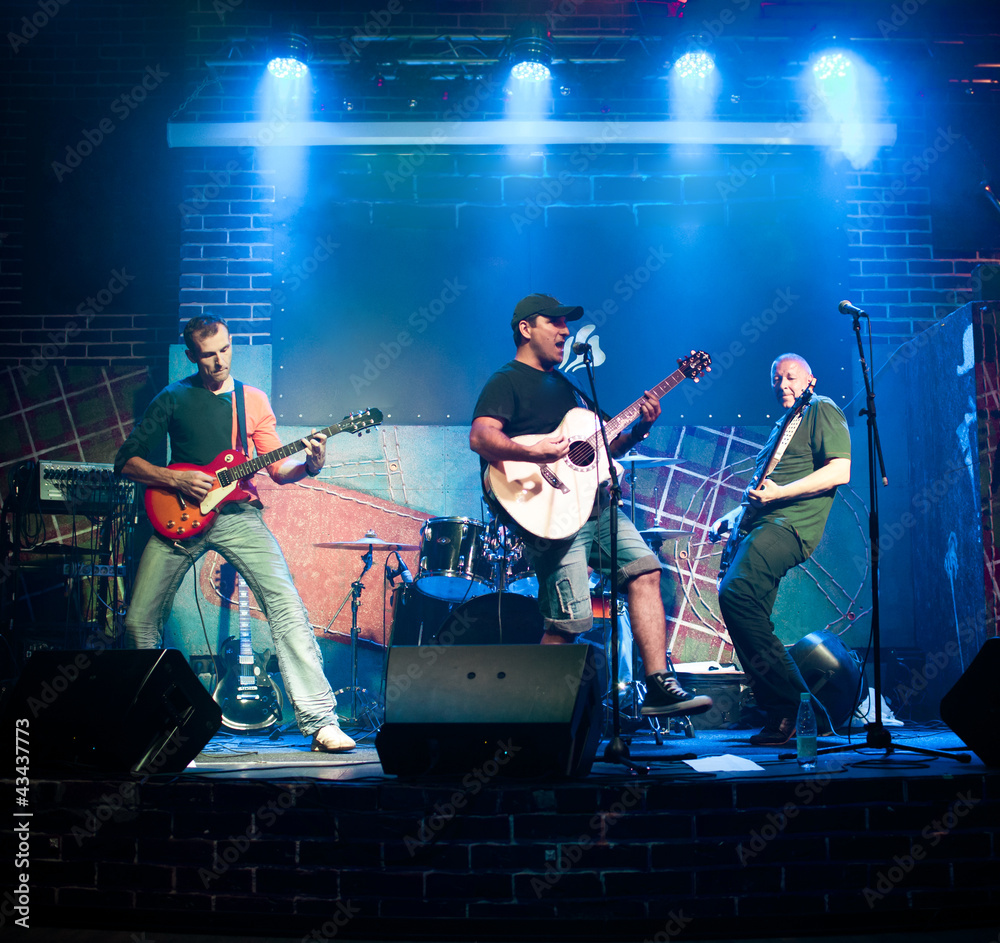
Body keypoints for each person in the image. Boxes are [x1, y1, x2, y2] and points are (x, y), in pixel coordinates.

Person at [115, 315, 354, 753]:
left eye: (224, 350)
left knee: (285, 604)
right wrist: (175, 480)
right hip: (179, 517)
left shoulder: (253, 400)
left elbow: (279, 470)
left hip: (238, 514)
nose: (219, 361)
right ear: (191, 356)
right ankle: (149, 725)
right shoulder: (172, 397)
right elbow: (126, 462)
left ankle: (321, 720)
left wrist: (310, 465)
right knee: (138, 621)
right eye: (208, 355)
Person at [470, 293, 712, 718]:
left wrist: (639, 429)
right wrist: (537, 453)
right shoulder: (506, 381)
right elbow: (481, 438)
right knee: (569, 621)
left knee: (646, 571)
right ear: (526, 329)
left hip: (596, 505)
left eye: (567, 323)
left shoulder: (567, 386)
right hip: (546, 514)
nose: (565, 330)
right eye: (555, 322)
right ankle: (529, 716)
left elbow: (598, 451)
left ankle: (657, 684)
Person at [711, 353, 851, 746]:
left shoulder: (821, 408)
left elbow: (840, 470)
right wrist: (735, 515)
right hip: (761, 522)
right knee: (748, 616)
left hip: (788, 525)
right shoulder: (784, 426)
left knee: (735, 594)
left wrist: (779, 495)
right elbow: (767, 486)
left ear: (811, 380)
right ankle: (783, 716)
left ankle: (803, 708)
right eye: (776, 379)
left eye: (791, 377)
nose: (782, 384)